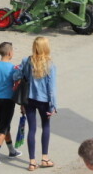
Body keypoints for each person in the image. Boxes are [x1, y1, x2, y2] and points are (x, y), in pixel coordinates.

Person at [15, 36, 58, 171]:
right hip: (44, 100)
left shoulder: (26, 61)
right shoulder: (50, 65)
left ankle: (32, 162)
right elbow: (51, 88)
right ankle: (45, 158)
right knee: (45, 126)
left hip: (29, 99)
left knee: (32, 129)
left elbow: (16, 76)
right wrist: (53, 106)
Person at [0, 41, 22, 165]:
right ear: (9, 53)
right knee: (3, 127)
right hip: (8, 99)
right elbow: (17, 85)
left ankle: (12, 150)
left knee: (4, 124)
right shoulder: (13, 68)